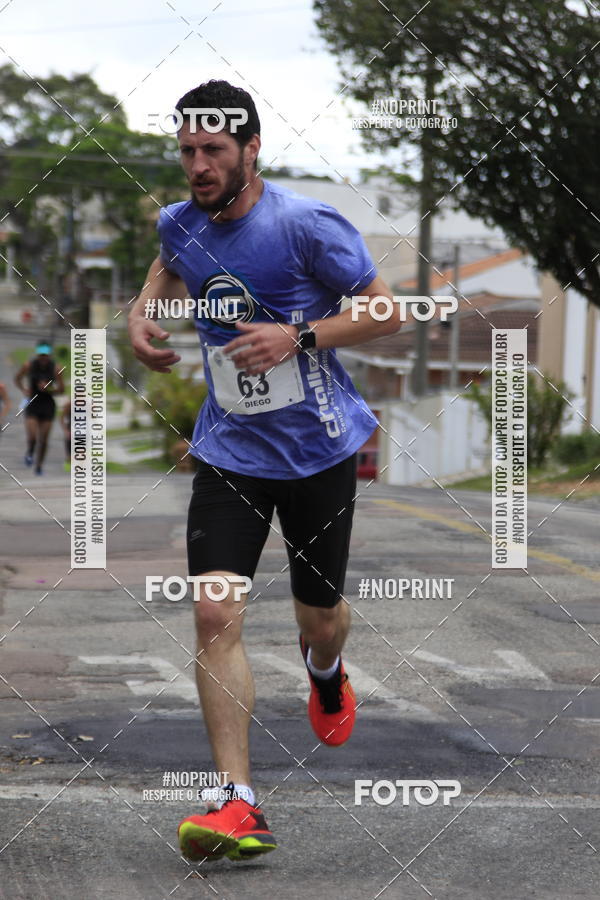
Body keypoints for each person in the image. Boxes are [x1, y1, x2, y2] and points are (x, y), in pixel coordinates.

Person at [128, 79, 400, 864]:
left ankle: (327, 670)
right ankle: (237, 804)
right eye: (187, 151)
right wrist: (146, 313)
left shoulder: (304, 224)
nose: (199, 164)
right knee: (214, 614)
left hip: (319, 451)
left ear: (252, 150)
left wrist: (298, 337)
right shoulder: (179, 220)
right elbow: (167, 260)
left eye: (214, 149)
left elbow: (384, 310)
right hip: (228, 454)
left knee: (320, 619)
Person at [14, 342, 64, 475]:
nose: (43, 358)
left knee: (44, 439)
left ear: (49, 355)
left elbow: (62, 389)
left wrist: (49, 389)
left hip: (47, 404)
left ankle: (39, 465)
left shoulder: (55, 368)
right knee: (33, 437)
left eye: (46, 355)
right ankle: (30, 451)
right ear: (37, 355)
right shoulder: (29, 365)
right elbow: (17, 378)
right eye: (41, 355)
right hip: (33, 403)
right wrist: (24, 389)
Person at [60, 400, 72, 472]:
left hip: (85, 431)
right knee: (70, 456)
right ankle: (68, 461)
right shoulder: (69, 405)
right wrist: (65, 431)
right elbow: (61, 417)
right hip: (71, 430)